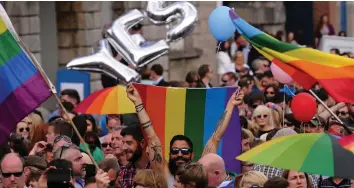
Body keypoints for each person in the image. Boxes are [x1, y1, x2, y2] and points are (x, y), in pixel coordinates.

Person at [118, 84, 168, 187]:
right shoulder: (123, 172)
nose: (123, 147)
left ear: (142, 143)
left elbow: (151, 136)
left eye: (129, 143)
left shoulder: (156, 168)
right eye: (123, 143)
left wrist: (138, 103)